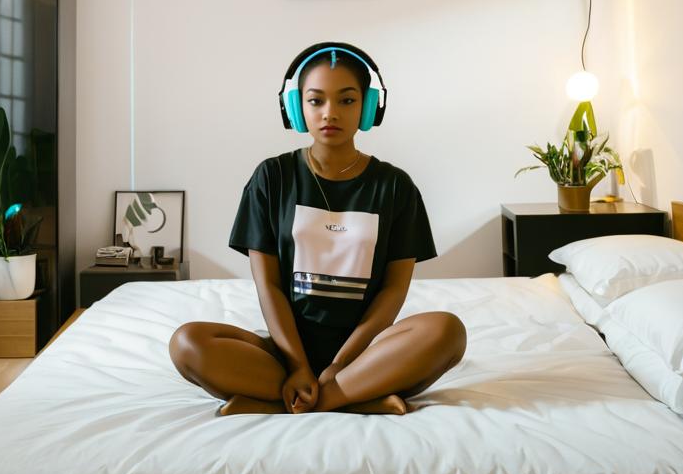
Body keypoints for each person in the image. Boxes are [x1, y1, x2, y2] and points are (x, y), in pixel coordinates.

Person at [169, 42, 466, 416]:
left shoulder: (395, 186)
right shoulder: (272, 178)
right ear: (296, 109)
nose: (330, 113)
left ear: (368, 107)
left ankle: (301, 397)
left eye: (346, 100)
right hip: (285, 351)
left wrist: (340, 365)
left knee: (446, 332)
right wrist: (297, 365)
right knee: (188, 343)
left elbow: (393, 291)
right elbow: (269, 286)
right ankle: (356, 397)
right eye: (315, 101)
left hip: (369, 353)